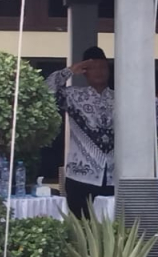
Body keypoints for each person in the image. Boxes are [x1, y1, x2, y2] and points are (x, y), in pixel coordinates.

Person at [46, 46, 113, 219]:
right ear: (84, 71)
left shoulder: (120, 98)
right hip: (80, 176)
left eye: (103, 67)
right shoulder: (73, 96)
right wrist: (69, 71)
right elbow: (45, 90)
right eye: (93, 67)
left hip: (113, 176)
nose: (99, 71)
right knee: (81, 232)